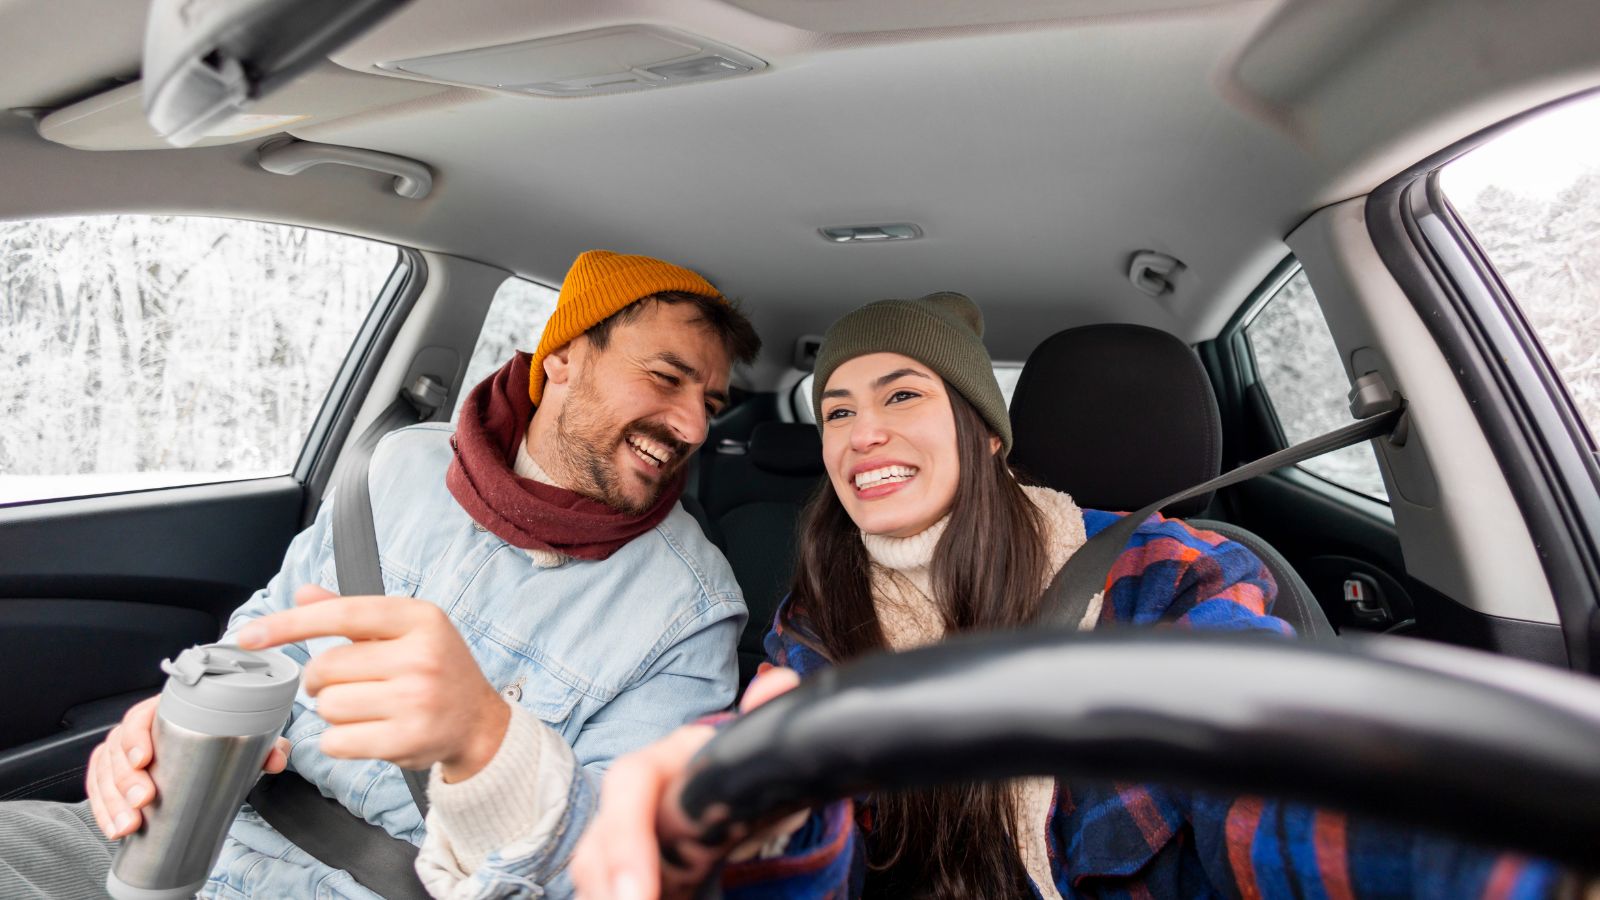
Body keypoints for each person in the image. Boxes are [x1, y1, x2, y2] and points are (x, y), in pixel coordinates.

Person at [568, 292, 1569, 899]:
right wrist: (763, 827)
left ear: (984, 431)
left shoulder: (1173, 575)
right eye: (836, 411)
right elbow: (817, 863)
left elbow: (1276, 792)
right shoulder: (817, 617)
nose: (862, 432)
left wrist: (1495, 860)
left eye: (903, 394)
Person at [0, 250, 761, 900]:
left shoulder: (689, 609)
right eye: (666, 378)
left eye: (709, 401)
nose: (695, 426)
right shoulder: (400, 464)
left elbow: (624, 865)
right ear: (561, 357)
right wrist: (180, 722)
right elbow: (272, 630)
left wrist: (490, 746)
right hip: (205, 830)